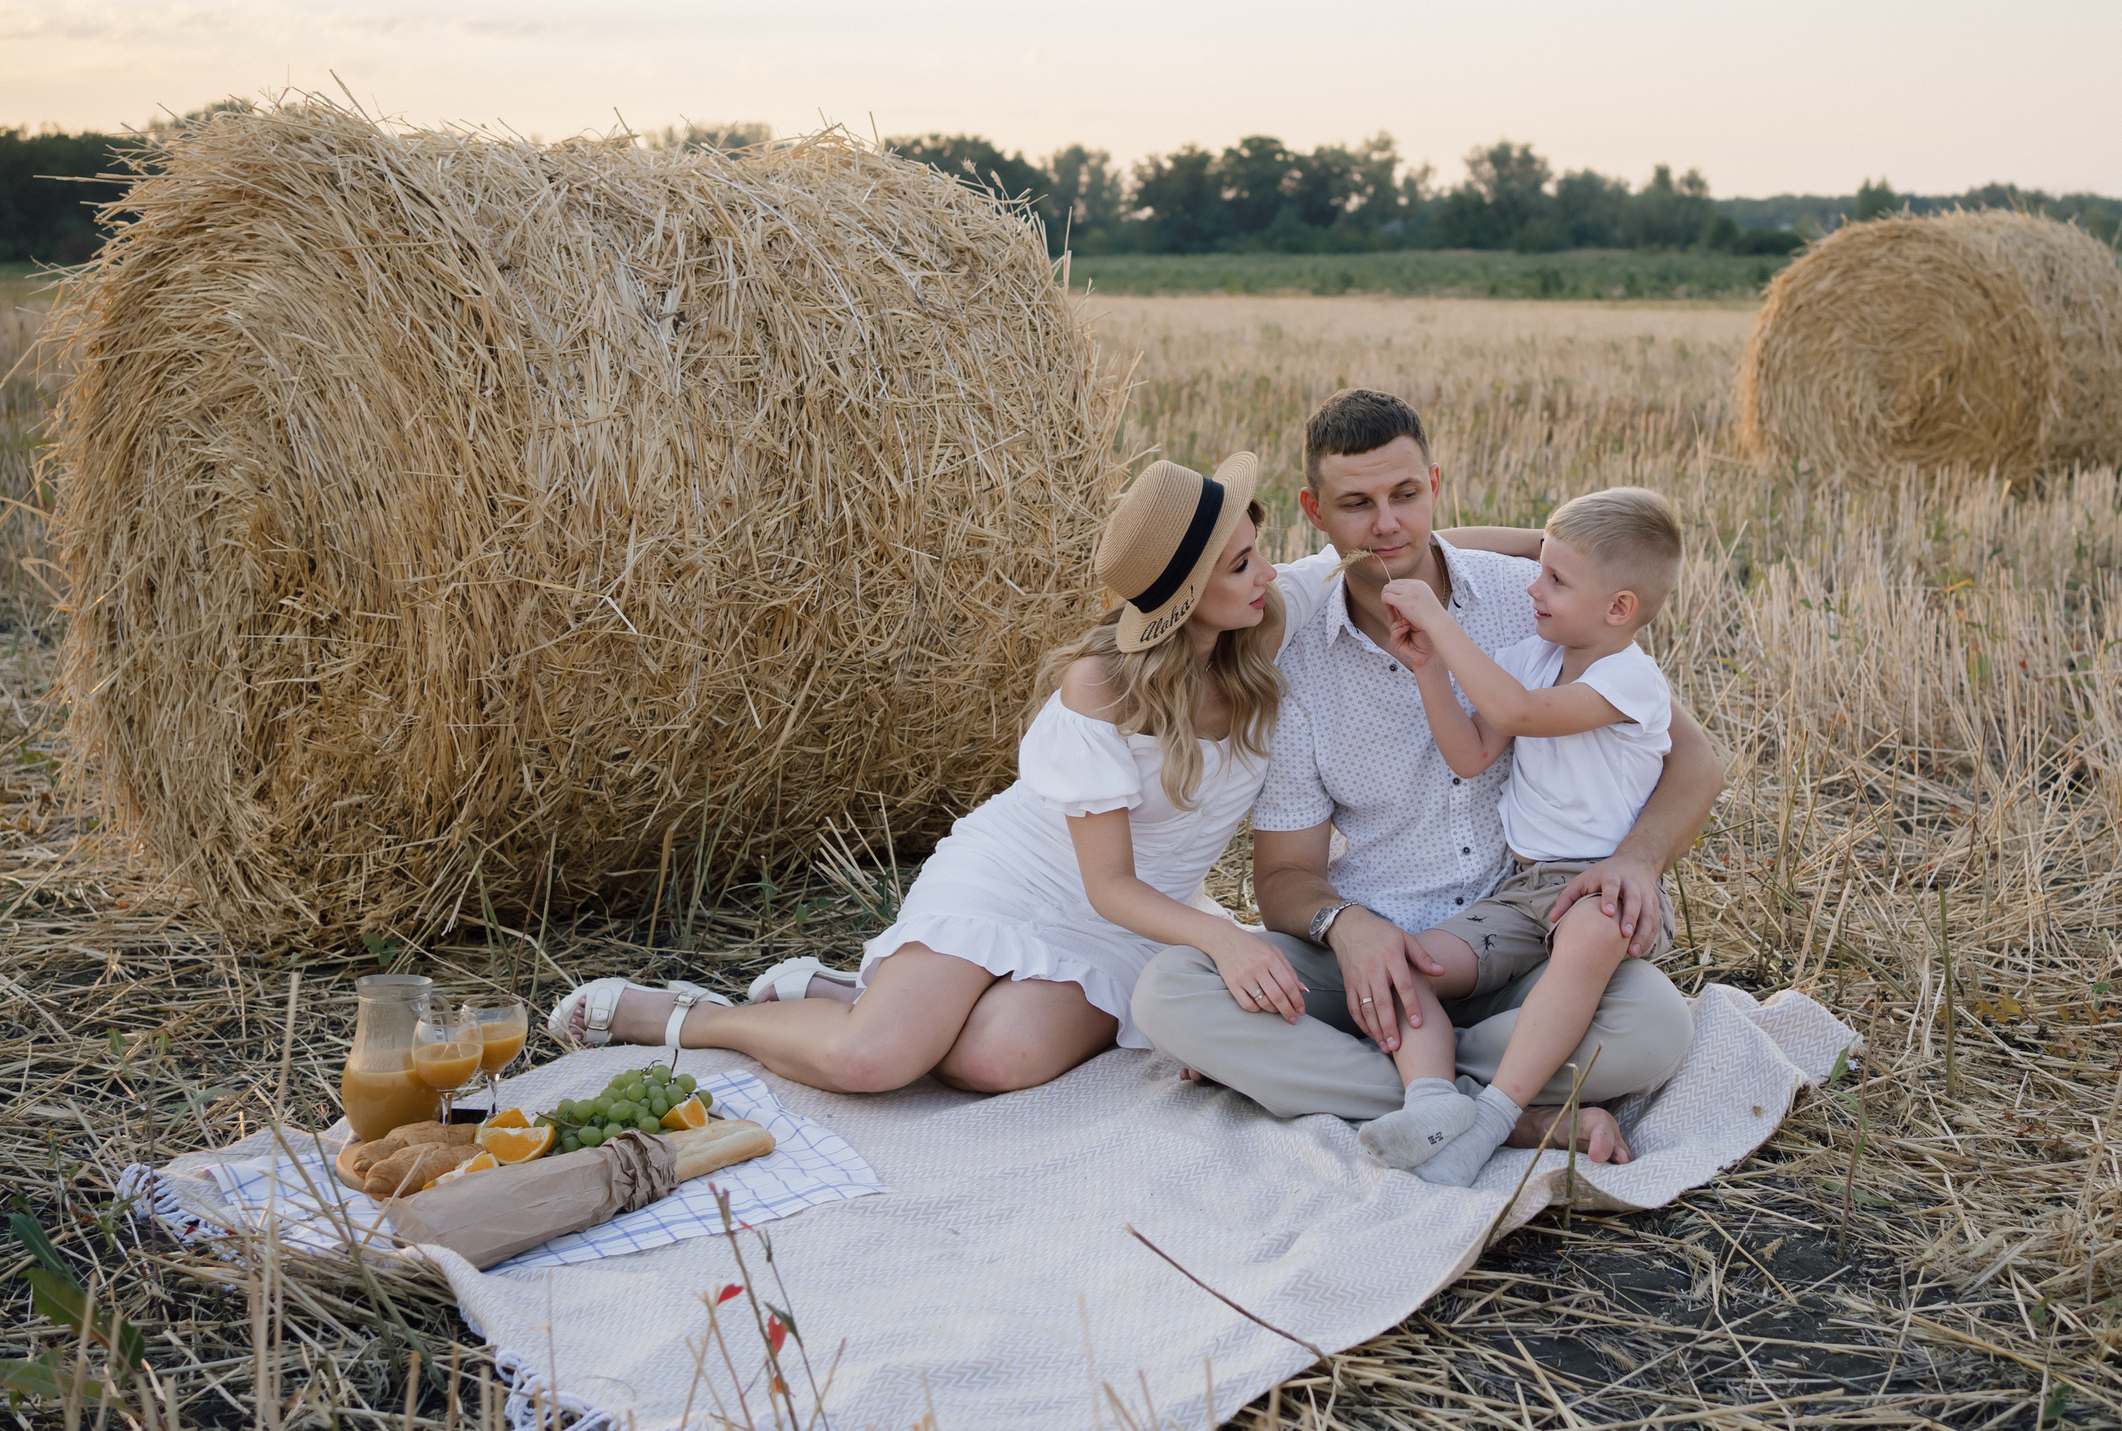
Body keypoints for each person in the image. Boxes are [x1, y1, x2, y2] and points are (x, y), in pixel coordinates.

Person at [546, 450, 1540, 1097]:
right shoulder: (1100, 687)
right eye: (1240, 563)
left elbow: (1394, 557)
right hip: (1027, 881)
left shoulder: (1267, 619)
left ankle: (846, 984)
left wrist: (1560, 551)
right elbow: (1103, 880)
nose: (1270, 570)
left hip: (1131, 921)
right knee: (875, 1061)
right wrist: (1224, 944)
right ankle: (694, 1016)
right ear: (1190, 596)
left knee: (997, 1060)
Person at [1131, 390, 1723, 1171]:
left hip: (1528, 946)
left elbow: (1697, 758)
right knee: (1171, 992)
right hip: (1375, 962)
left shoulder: (1537, 600)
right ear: (1315, 510)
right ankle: (1504, 1111)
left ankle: (1413, 1091)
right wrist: (1346, 925)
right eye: (1357, 503)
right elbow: (1284, 876)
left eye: (1406, 494)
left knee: (1653, 1025)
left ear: (1435, 483)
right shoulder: (1298, 664)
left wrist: (1638, 859)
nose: (1386, 524)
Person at [1361, 487, 1685, 1184]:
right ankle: (1432, 1101)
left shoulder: (1631, 679)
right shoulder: (1535, 654)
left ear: (1619, 608)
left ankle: (1494, 1120)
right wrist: (1429, 668)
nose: (1533, 586)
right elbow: (1472, 752)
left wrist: (1437, 619)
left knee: (1597, 931)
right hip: (1522, 889)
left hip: (1600, 885)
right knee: (1409, 965)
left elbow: (1521, 713)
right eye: (1541, 566)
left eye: (1555, 579)